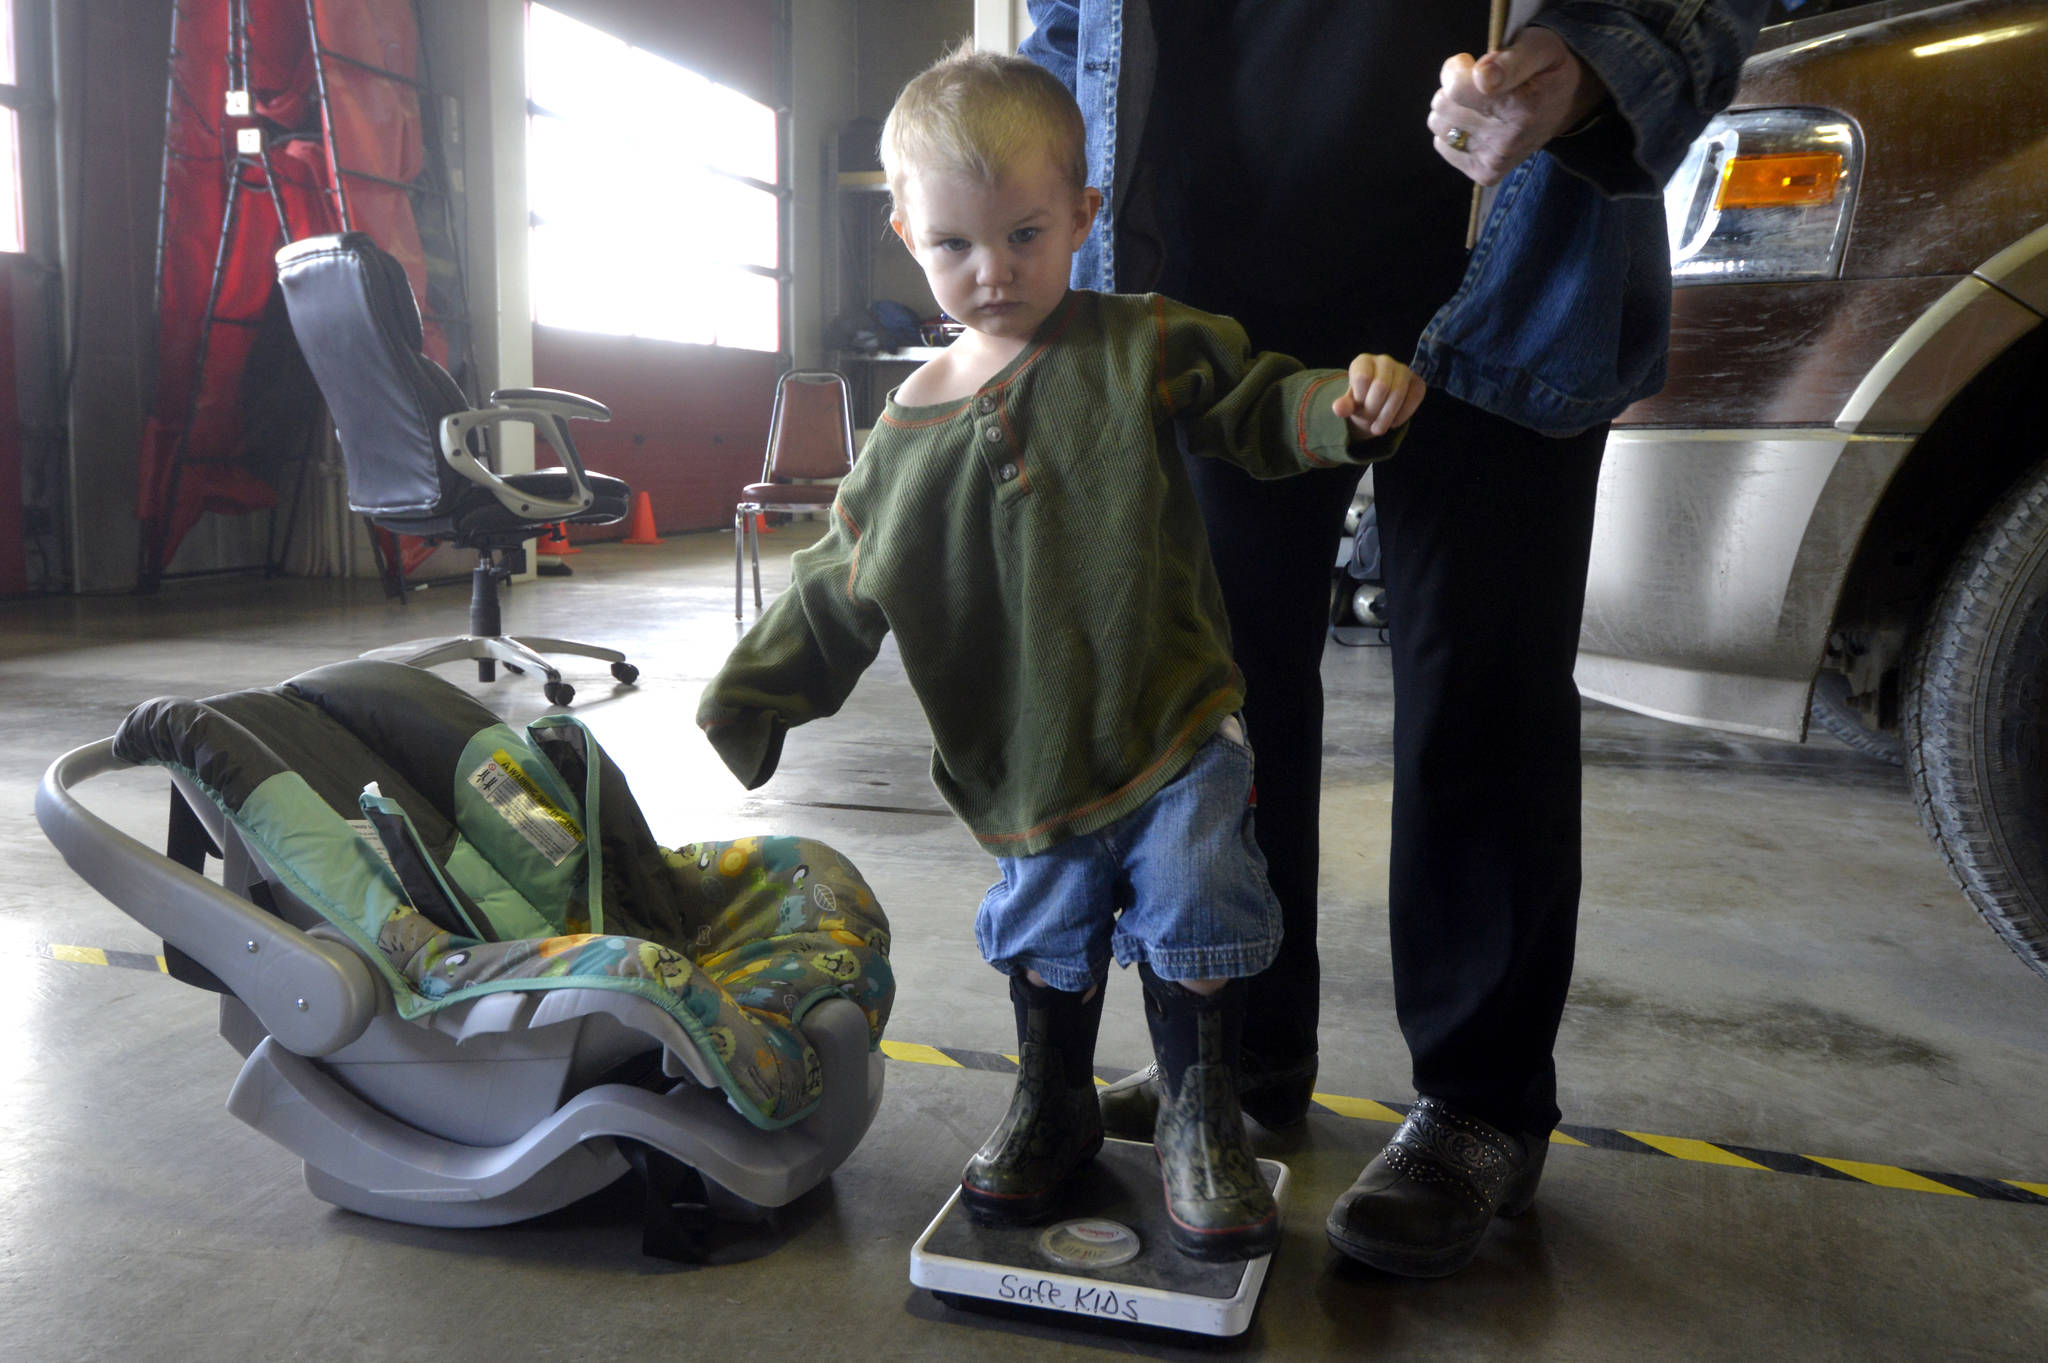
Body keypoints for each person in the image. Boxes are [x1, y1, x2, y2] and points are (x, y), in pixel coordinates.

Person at [1023, 0, 1770, 1277]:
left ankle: (1478, 1103)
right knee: (1215, 698)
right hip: (1214, 265)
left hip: (1507, 253)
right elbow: (1067, 25)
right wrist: (1016, 211)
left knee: (1477, 678)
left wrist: (1589, 69)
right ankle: (1240, 1045)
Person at [696, 46, 1423, 1263]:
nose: (993, 274)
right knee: (1048, 928)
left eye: (1027, 235)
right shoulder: (902, 438)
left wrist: (1337, 409)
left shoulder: (1139, 338)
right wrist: (752, 695)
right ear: (905, 234)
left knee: (1199, 910)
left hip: (1173, 722)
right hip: (1021, 761)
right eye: (956, 247)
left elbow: (1255, 405)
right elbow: (836, 582)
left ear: (1085, 213)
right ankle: (1054, 1100)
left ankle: (1200, 1116)